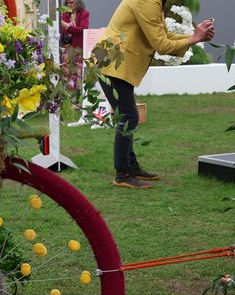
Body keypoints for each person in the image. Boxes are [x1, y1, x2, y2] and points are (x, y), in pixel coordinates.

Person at [98, 0, 214, 189]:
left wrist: (195, 37)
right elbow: (162, 45)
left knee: (129, 116)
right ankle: (122, 174)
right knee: (129, 116)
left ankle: (130, 168)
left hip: (116, 64)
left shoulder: (153, 1)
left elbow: (164, 35)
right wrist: (194, 39)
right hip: (112, 65)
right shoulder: (146, 2)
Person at [60, 0, 90, 92]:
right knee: (66, 74)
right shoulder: (65, 13)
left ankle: (77, 98)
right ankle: (67, 98)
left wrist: (68, 27)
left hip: (78, 49)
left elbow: (83, 29)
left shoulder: (84, 13)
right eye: (67, 3)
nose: (69, 5)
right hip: (66, 48)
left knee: (77, 74)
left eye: (71, 2)